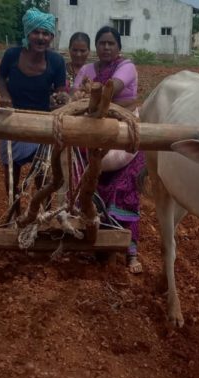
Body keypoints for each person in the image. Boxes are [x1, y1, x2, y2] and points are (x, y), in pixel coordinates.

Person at [73, 26, 144, 274]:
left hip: (123, 138)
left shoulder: (127, 66)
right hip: (92, 135)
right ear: (96, 47)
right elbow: (75, 99)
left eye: (110, 43)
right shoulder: (88, 70)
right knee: (86, 188)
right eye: (101, 43)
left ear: (119, 48)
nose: (106, 47)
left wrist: (94, 98)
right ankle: (92, 244)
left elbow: (110, 88)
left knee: (123, 193)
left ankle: (131, 254)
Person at [0, 8, 66, 196]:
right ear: (28, 33)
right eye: (36, 32)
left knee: (41, 174)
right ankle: (13, 210)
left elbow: (60, 89)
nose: (41, 37)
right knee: (12, 173)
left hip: (42, 121)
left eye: (46, 33)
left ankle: (43, 212)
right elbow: (1, 77)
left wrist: (61, 97)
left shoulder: (57, 61)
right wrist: (5, 95)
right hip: (13, 118)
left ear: (51, 37)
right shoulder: (12, 55)